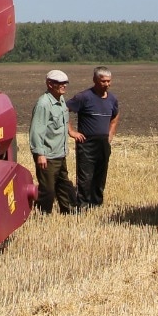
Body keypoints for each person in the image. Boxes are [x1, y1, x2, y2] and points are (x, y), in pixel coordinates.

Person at [68, 66, 120, 208]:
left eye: (109, 81)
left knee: (100, 174)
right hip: (86, 142)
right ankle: (82, 205)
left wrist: (110, 136)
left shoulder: (112, 99)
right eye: (103, 81)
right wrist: (71, 131)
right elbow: (63, 110)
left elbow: (115, 117)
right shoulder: (83, 97)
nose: (107, 84)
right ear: (95, 80)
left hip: (103, 142)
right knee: (85, 176)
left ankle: (96, 203)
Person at [29, 69, 77, 214]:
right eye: (59, 83)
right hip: (48, 155)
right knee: (48, 189)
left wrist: (71, 132)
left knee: (63, 184)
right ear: (50, 84)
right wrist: (40, 154)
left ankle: (68, 210)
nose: (63, 86)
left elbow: (64, 122)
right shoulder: (44, 104)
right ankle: (43, 214)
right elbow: (36, 131)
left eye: (65, 83)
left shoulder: (60, 100)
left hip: (60, 152)